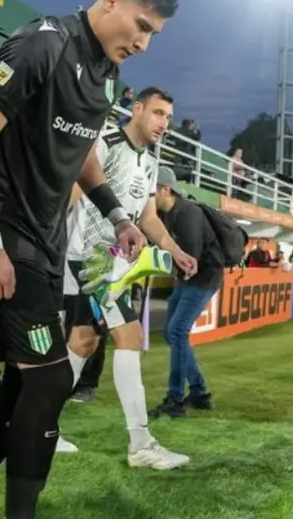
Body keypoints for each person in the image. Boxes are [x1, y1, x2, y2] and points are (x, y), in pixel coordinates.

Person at [0, 0, 177, 519]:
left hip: (42, 242)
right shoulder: (43, 45)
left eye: (153, 36)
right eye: (141, 25)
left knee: (27, 386)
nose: (143, 42)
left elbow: (84, 157)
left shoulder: (106, 75)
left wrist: (119, 216)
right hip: (1, 233)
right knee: (51, 382)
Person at [60, 87, 197, 468]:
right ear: (136, 109)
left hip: (116, 261)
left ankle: (40, 425)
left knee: (82, 342)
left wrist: (177, 251)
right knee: (131, 335)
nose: (163, 123)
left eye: (168, 117)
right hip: (92, 258)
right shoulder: (105, 143)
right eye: (157, 113)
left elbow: (149, 218)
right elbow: (69, 194)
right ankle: (140, 444)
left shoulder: (150, 160)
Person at [148, 167, 224, 418]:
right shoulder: (165, 214)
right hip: (187, 277)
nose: (150, 195)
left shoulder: (188, 212)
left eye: (153, 189)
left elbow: (191, 256)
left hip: (202, 277)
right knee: (173, 334)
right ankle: (200, 393)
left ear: (165, 189)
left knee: (177, 331)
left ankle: (175, 399)